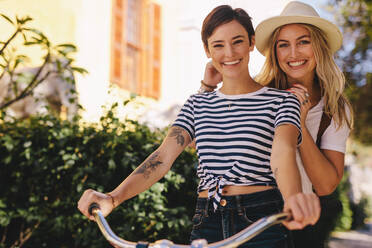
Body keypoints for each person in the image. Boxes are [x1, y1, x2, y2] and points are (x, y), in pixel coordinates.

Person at [78, 5, 320, 247]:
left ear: (251, 43)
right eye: (218, 45)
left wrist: (293, 199)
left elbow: (283, 152)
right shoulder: (197, 103)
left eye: (237, 41)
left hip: (260, 218)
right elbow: (162, 157)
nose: (229, 53)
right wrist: (113, 198)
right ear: (207, 50)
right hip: (207, 220)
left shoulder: (282, 100)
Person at [200, 2, 353, 248]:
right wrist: (207, 88)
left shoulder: (334, 108)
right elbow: (205, 144)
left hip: (299, 222)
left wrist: (299, 122)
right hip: (245, 220)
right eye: (284, 45)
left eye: (303, 41)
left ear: (319, 46)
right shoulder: (255, 93)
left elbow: (325, 185)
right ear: (275, 51)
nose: (293, 53)